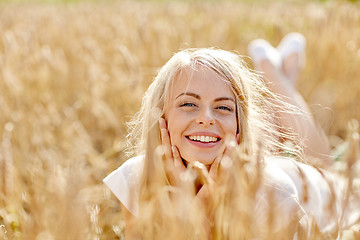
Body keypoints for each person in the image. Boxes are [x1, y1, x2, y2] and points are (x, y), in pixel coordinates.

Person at [104, 33, 359, 239]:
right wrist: (196, 212)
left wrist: (197, 217)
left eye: (223, 107)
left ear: (239, 128)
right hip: (254, 164)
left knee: (323, 162)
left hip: (307, 188)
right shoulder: (137, 179)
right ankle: (281, 72)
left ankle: (269, 67)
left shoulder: (275, 196)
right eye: (188, 104)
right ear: (161, 118)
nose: (207, 117)